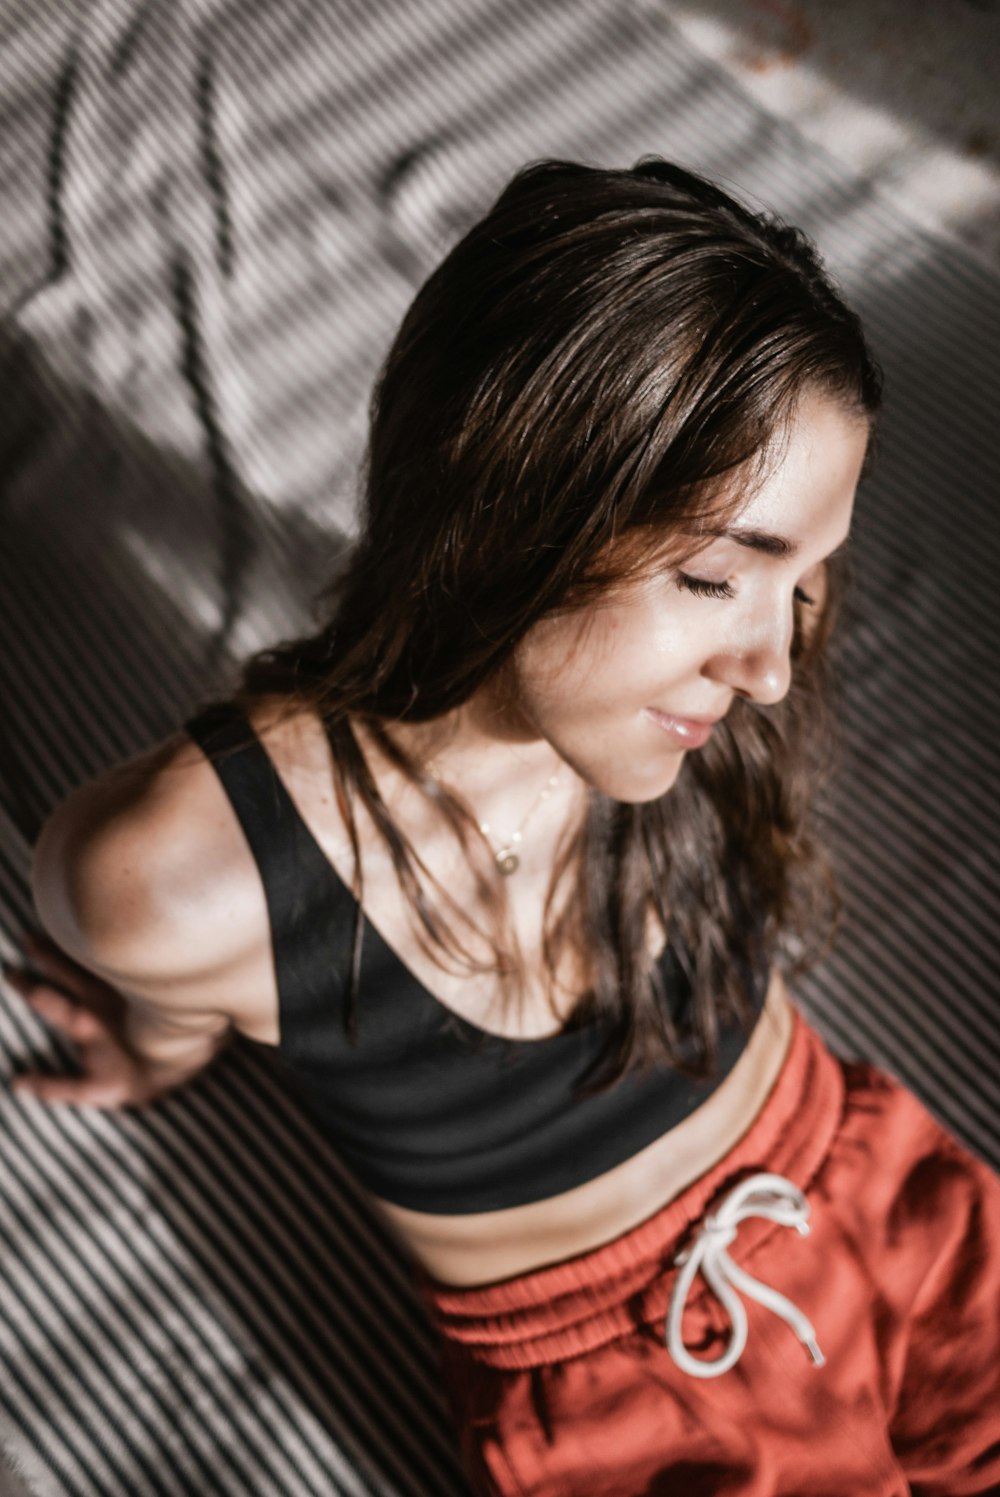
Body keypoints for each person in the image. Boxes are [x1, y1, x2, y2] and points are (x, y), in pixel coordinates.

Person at [12, 159, 1000, 1496]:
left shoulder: (705, 693)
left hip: (876, 1186)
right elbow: (174, 972)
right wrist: (152, 1050)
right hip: (634, 1390)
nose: (772, 664)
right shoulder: (176, 875)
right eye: (716, 578)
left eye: (808, 579)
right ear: (502, 513)